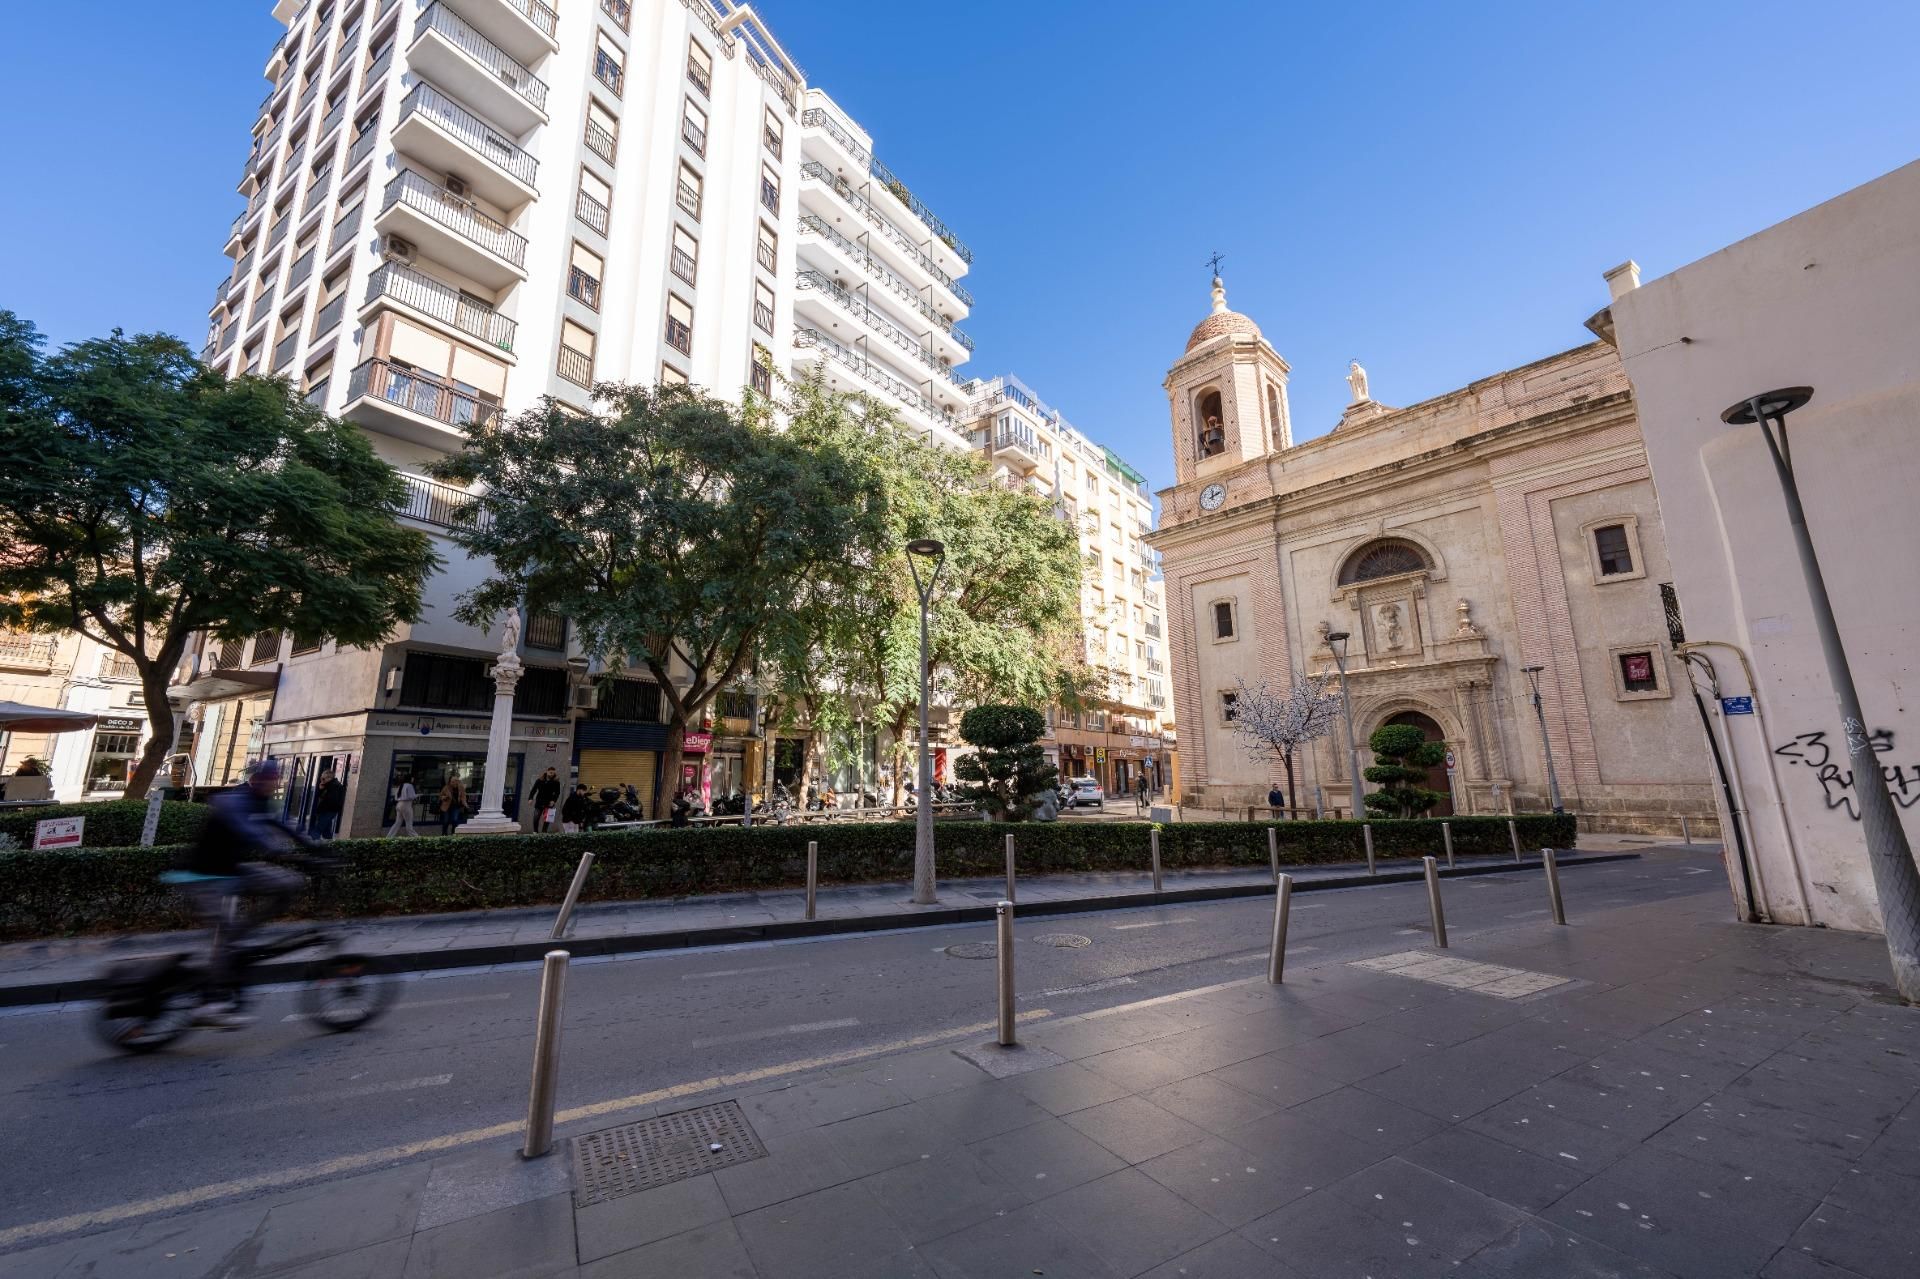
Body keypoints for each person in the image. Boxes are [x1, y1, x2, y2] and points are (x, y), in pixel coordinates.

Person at [178, 759, 311, 1028]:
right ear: (255, 779)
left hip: (232, 869)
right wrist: (276, 850)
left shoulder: (262, 803)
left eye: (275, 779)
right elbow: (249, 831)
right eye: (268, 779)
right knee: (224, 935)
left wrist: (314, 848)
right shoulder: (235, 799)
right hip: (204, 874)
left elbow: (279, 826)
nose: (272, 784)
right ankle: (210, 1003)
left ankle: (243, 931)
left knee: (288, 884)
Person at [310, 768, 345, 839]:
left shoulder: (335, 786)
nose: (322, 780)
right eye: (321, 778)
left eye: (323, 778)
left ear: (329, 778)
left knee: (318, 829)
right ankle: (328, 845)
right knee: (326, 831)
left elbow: (331, 800)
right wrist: (321, 789)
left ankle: (311, 845)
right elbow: (320, 796)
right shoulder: (328, 785)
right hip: (326, 810)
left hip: (329, 810)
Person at [529, 767, 562, 833]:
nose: (551, 774)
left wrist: (553, 800)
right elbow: (534, 790)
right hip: (539, 802)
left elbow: (557, 793)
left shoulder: (556, 782)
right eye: (550, 772)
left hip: (549, 802)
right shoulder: (540, 780)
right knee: (536, 818)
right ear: (547, 771)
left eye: (553, 773)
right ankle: (535, 832)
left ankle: (544, 832)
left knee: (548, 819)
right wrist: (530, 798)